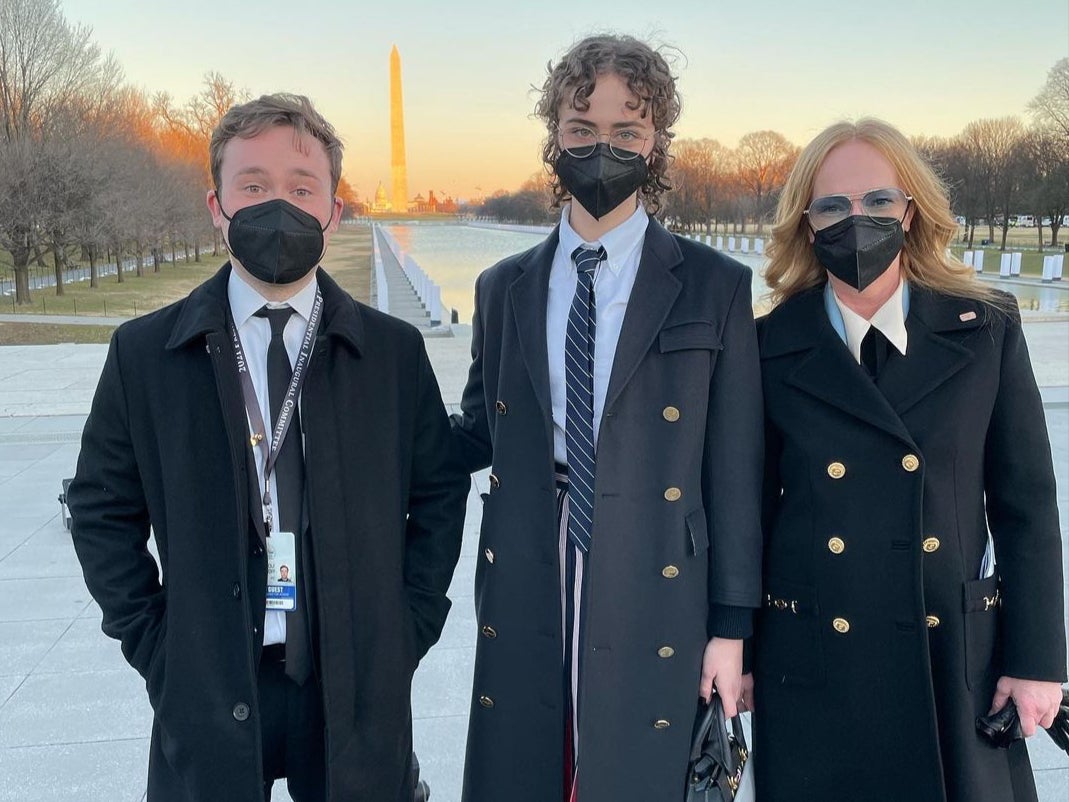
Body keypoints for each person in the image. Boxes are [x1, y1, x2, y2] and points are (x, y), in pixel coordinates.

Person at [67, 93, 468, 802]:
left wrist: (407, 626)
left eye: (300, 187)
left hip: (351, 684)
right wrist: (157, 646)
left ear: (334, 211)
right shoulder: (144, 353)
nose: (276, 205)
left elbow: (437, 491)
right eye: (252, 186)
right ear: (216, 206)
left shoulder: (392, 354)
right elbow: (102, 509)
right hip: (210, 676)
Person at [452, 34, 764, 802]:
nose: (602, 146)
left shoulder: (713, 284)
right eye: (580, 126)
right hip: (535, 543)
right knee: (534, 755)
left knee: (629, 765)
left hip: (655, 553)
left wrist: (730, 630)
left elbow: (734, 469)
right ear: (553, 138)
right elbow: (475, 427)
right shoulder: (503, 286)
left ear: (655, 144)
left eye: (627, 129)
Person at [753, 118, 1066, 802]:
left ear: (911, 210)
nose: (854, 220)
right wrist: (739, 647)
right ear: (806, 223)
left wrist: (1037, 659)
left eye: (876, 202)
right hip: (813, 657)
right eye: (831, 205)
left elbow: (1025, 507)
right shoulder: (766, 345)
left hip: (954, 656)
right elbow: (746, 512)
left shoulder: (984, 328)